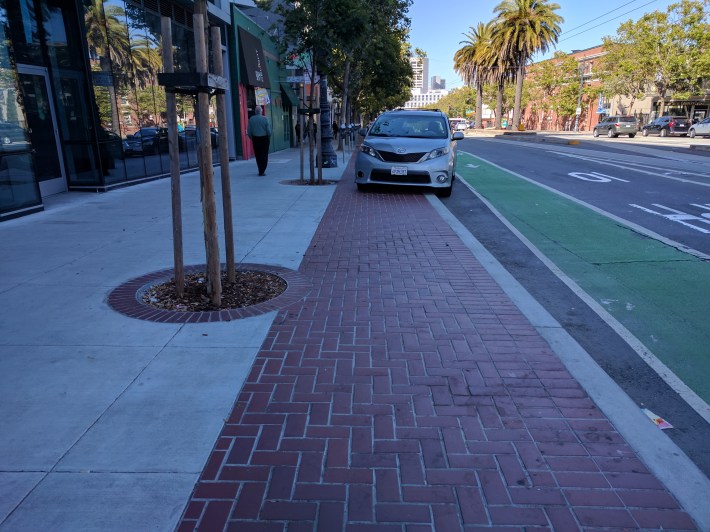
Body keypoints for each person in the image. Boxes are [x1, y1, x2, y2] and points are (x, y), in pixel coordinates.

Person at [247, 105, 272, 176]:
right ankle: (262, 170)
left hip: (256, 139)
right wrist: (268, 136)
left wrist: (252, 138)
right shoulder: (265, 119)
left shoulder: (251, 119)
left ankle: (260, 169)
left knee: (258, 155)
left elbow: (249, 131)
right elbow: (268, 131)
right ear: (261, 111)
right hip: (264, 139)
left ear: (255, 112)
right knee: (264, 155)